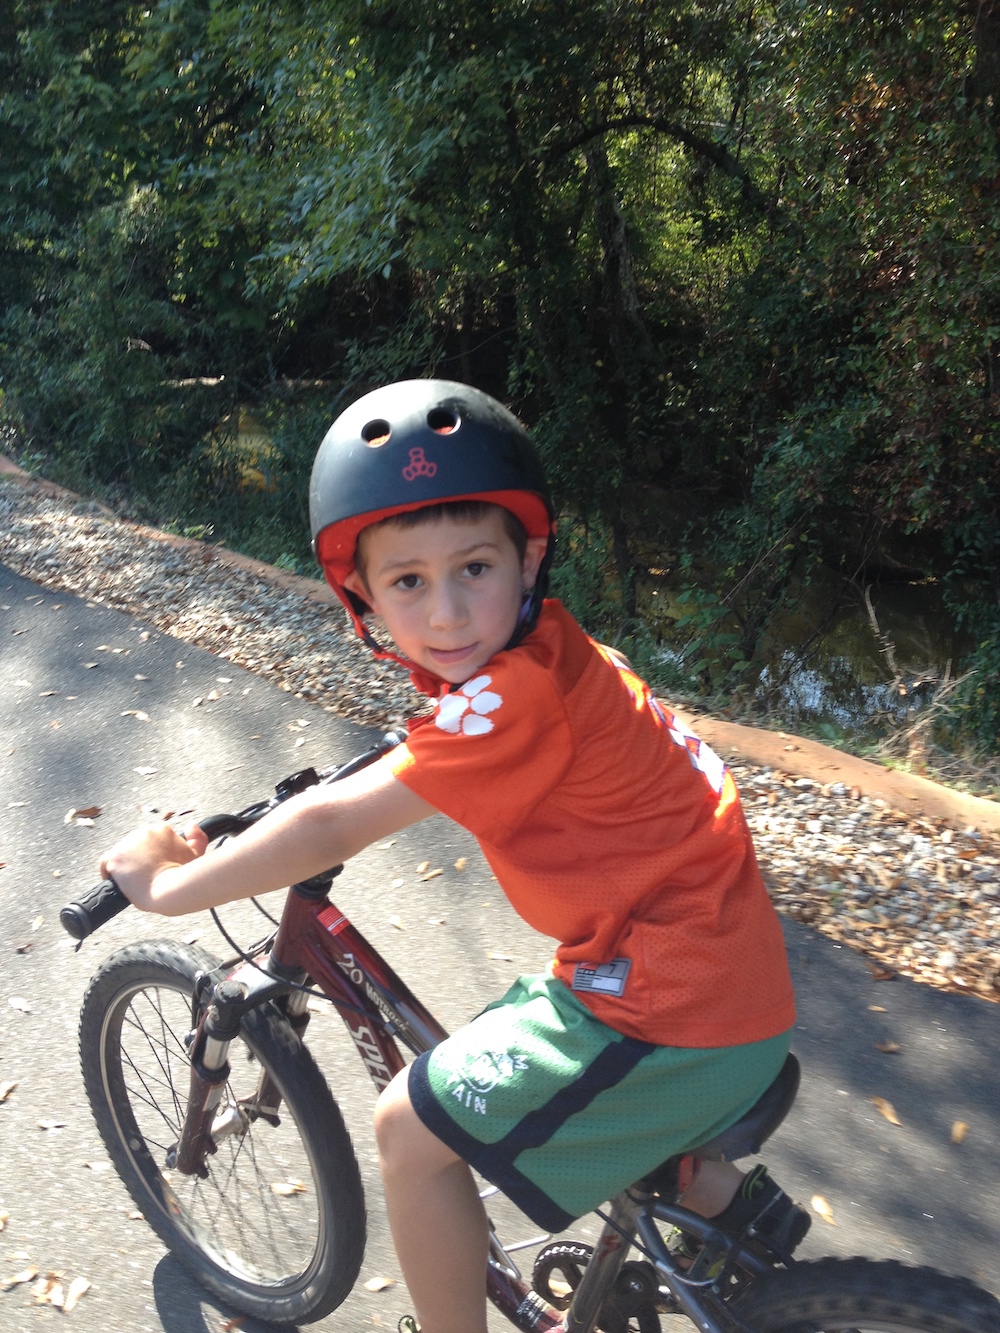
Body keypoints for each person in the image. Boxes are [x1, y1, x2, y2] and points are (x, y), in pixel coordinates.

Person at [100, 380, 808, 1333]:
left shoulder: (504, 701)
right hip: (719, 974)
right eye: (409, 582)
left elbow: (328, 828)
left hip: (670, 1005)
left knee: (407, 1128)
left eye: (473, 567)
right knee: (511, 1034)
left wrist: (170, 885)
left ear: (529, 559)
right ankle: (716, 1202)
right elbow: (423, 751)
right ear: (366, 596)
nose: (446, 614)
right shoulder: (551, 653)